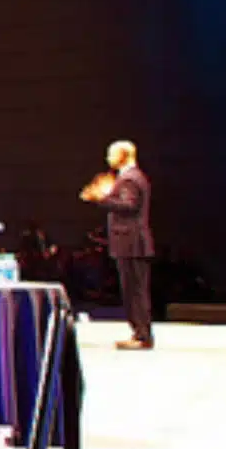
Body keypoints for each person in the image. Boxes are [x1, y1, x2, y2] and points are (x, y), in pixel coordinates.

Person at [81, 139, 156, 350]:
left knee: (135, 291)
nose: (108, 158)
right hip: (130, 241)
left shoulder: (130, 179)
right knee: (133, 290)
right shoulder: (129, 177)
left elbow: (129, 205)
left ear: (123, 155)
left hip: (131, 241)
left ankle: (142, 335)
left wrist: (101, 198)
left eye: (112, 154)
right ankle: (139, 332)